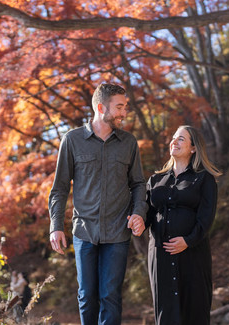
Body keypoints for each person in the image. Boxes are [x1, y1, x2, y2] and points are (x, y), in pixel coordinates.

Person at [49, 83, 147, 325]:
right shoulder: (72, 140)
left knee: (110, 296)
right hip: (84, 231)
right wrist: (56, 225)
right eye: (119, 107)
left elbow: (138, 185)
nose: (124, 112)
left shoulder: (128, 143)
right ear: (101, 107)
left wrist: (139, 213)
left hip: (117, 232)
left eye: (125, 107)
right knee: (87, 296)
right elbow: (59, 188)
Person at [145, 125, 222, 325]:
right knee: (166, 314)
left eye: (181, 139)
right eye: (173, 137)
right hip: (160, 255)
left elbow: (206, 218)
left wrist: (188, 240)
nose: (174, 141)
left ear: (193, 148)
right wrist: (136, 220)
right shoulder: (155, 180)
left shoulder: (204, 179)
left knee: (194, 311)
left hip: (193, 254)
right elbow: (145, 215)